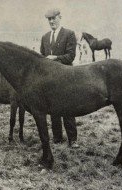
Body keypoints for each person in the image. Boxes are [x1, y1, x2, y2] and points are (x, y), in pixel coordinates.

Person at [40, 8, 79, 148]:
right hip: (50, 79)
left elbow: (70, 56)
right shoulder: (45, 37)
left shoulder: (69, 34)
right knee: (52, 107)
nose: (51, 21)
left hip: (66, 77)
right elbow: (42, 57)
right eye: (49, 19)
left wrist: (55, 58)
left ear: (60, 17)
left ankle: (73, 140)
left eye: (53, 18)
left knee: (67, 107)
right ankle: (57, 138)